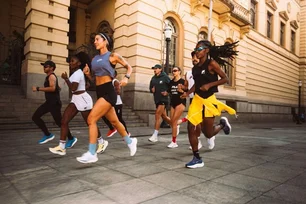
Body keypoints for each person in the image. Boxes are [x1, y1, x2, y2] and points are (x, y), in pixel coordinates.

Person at [76, 32, 137, 163]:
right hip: (100, 91)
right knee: (115, 122)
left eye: (97, 39)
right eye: (94, 40)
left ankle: (92, 153)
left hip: (109, 92)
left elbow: (129, 67)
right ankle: (131, 142)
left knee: (91, 119)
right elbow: (95, 80)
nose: (95, 42)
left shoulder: (113, 56)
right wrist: (87, 75)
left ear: (105, 41)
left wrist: (126, 77)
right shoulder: (94, 59)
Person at [181, 40, 238, 168]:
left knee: (208, 133)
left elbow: (225, 78)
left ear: (206, 50)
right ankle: (197, 158)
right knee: (191, 126)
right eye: (196, 49)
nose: (197, 51)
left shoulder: (211, 64)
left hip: (209, 101)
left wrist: (209, 85)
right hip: (197, 100)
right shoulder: (195, 69)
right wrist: (187, 92)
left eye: (199, 48)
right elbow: (196, 84)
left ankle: (222, 125)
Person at [48, 52, 109, 156]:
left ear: (79, 63)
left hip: (83, 99)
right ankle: (61, 147)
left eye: (73, 61)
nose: (70, 63)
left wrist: (66, 79)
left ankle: (102, 142)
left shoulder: (78, 73)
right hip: (76, 99)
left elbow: (73, 88)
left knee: (90, 122)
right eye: (70, 61)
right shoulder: (75, 73)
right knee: (64, 121)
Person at [32, 60, 74, 144]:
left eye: (46, 66)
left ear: (51, 68)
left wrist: (37, 88)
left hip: (54, 103)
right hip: (50, 103)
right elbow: (56, 88)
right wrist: (57, 87)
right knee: (35, 117)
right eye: (44, 66)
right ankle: (48, 135)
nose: (44, 68)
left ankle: (71, 138)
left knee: (60, 122)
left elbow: (52, 88)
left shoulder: (51, 76)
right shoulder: (50, 77)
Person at [102, 70, 130, 137]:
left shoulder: (115, 81)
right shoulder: (107, 82)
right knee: (103, 115)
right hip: (110, 103)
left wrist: (111, 91)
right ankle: (112, 128)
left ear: (114, 75)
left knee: (119, 119)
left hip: (117, 104)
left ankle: (127, 133)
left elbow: (118, 92)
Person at [148, 64, 171, 142]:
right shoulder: (153, 78)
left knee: (157, 115)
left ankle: (155, 136)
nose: (155, 70)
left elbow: (171, 86)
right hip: (157, 100)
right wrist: (152, 90)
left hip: (163, 99)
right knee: (164, 117)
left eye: (156, 68)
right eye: (154, 69)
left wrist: (167, 92)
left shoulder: (165, 77)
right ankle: (175, 125)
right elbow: (150, 88)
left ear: (160, 69)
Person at [165, 67, 186, 148]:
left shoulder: (183, 81)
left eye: (175, 71)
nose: (173, 72)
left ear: (179, 72)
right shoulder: (171, 82)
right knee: (173, 122)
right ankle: (184, 120)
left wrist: (182, 91)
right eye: (172, 71)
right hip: (172, 103)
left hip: (180, 103)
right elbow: (169, 91)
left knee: (173, 122)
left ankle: (174, 142)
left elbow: (186, 91)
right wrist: (165, 93)